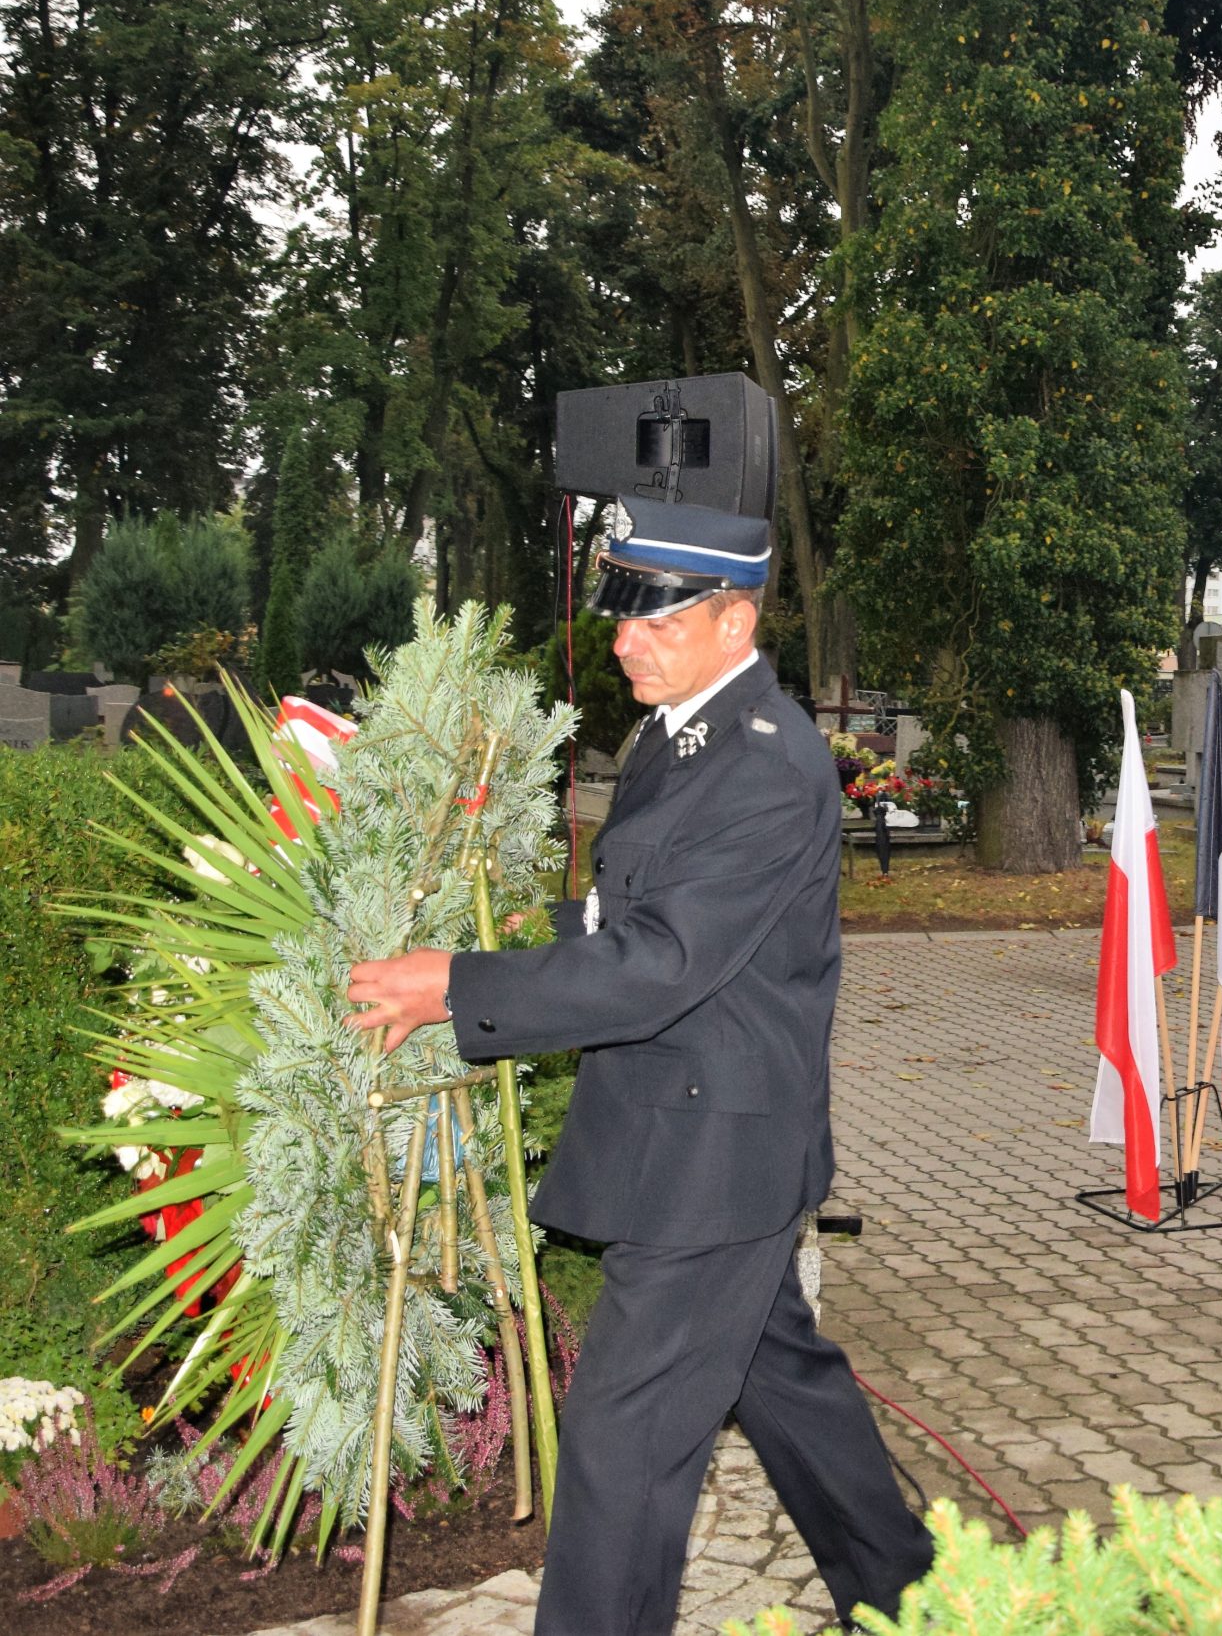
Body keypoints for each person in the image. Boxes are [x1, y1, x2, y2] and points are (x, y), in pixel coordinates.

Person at [345, 500, 933, 1635]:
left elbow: (662, 961)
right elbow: (644, 914)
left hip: (717, 1154)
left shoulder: (764, 763)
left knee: (620, 1441)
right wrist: (530, 929)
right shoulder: (681, 730)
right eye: (621, 615)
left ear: (736, 620)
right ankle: (923, 1599)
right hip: (696, 1123)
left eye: (656, 620)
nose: (624, 641)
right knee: (787, 1387)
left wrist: (458, 986)